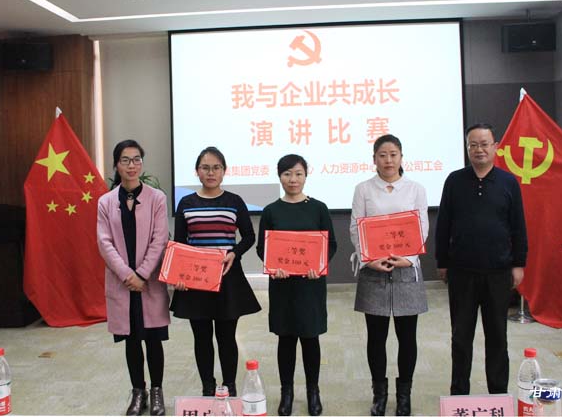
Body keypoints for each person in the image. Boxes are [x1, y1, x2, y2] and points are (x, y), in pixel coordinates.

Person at [435, 123, 528, 396]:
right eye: (473, 145)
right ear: (467, 149)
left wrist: (518, 263)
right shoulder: (454, 180)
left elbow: (518, 226)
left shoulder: (508, 182)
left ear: (495, 146)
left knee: (497, 335)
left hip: (498, 271)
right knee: (460, 337)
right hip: (461, 271)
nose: (479, 149)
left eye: (484, 144)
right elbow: (444, 224)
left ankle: (498, 394)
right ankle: (459, 394)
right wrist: (442, 261)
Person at [169, 146, 261, 397]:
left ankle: (229, 386)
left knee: (226, 336)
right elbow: (180, 244)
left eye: (216, 168)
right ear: (197, 172)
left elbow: (249, 236)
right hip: (196, 281)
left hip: (226, 279)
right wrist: (179, 276)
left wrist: (234, 253)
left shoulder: (234, 201)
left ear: (224, 171)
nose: (211, 172)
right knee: (201, 337)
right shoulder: (186, 203)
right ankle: (208, 388)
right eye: (205, 168)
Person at [349, 134, 429, 416]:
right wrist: (369, 259)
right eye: (382, 155)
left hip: (407, 271)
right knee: (376, 337)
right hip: (374, 271)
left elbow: (422, 226)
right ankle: (379, 394)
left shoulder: (416, 189)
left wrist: (408, 258)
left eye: (393, 154)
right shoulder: (363, 189)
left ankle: (404, 395)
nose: (388, 160)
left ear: (401, 157)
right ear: (374, 159)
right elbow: (356, 228)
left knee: (407, 337)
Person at [256, 154, 337, 416]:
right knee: (286, 339)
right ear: (279, 176)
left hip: (311, 285)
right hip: (283, 286)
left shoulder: (319, 208)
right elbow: (262, 247)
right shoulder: (271, 211)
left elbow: (330, 244)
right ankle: (287, 392)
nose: (293, 179)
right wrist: (273, 266)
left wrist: (319, 265)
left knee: (311, 338)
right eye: (287, 174)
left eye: (298, 173)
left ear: (306, 176)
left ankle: (313, 391)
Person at [97, 140, 170, 416]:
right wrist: (128, 275)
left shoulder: (157, 198)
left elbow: (160, 239)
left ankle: (157, 391)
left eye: (137, 159)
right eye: (125, 160)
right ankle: (138, 391)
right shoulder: (105, 202)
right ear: (116, 164)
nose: (132, 165)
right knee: (131, 340)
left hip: (149, 282)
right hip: (123, 283)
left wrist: (142, 274)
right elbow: (104, 243)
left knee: (153, 339)